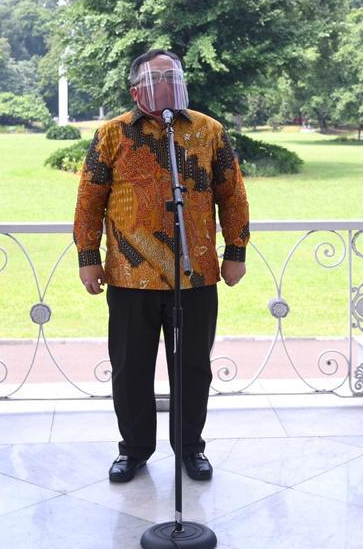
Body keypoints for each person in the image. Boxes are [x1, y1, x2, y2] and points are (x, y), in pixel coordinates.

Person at [73, 49, 249, 483]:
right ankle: (133, 450)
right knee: (130, 368)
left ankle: (190, 448)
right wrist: (87, 257)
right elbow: (89, 200)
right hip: (131, 276)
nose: (168, 83)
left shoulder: (209, 132)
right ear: (136, 89)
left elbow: (233, 194)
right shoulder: (111, 135)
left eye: (173, 75)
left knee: (193, 369)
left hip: (196, 272)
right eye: (157, 77)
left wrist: (236, 251)